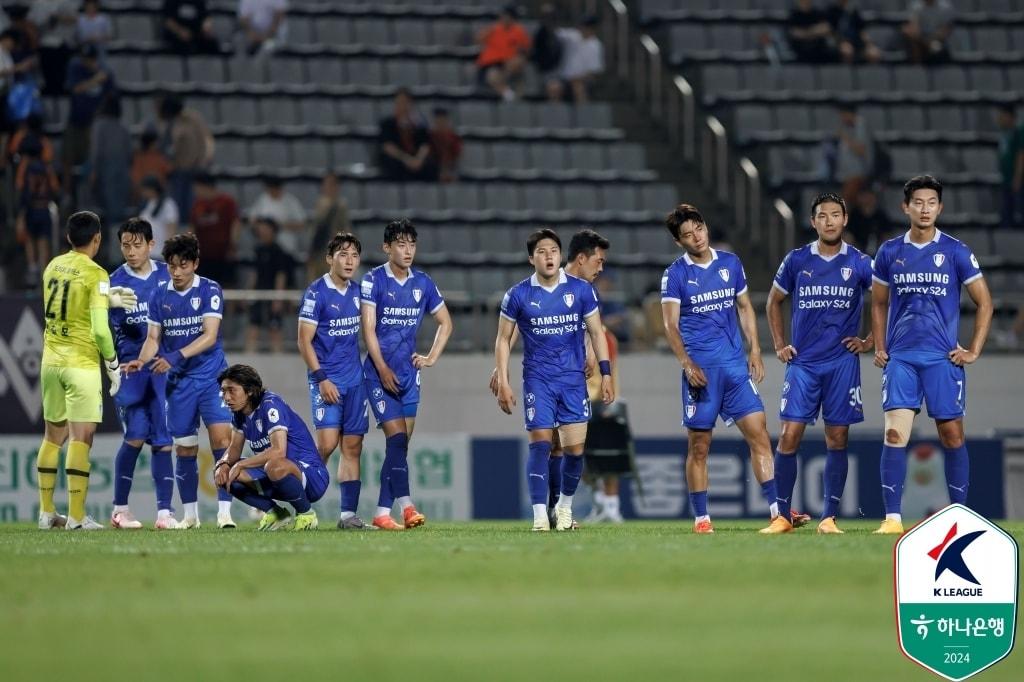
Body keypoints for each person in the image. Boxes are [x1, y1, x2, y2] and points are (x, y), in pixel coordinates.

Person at [870, 175, 993, 534]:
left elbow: (984, 302)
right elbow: (877, 303)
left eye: (931, 203)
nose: (925, 209)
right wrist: (880, 345)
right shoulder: (890, 252)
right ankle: (892, 519)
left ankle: (958, 515)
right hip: (902, 359)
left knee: (952, 436)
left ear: (939, 207)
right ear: (905, 207)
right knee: (895, 434)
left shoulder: (956, 251)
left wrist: (973, 350)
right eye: (918, 203)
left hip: (942, 358)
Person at [659, 204, 781, 534]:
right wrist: (686, 363)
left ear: (705, 227)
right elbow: (670, 325)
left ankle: (776, 513)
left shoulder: (730, 263)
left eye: (698, 228)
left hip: (734, 368)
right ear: (679, 242)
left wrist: (755, 349)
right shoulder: (675, 275)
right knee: (699, 446)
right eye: (687, 234)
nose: (695, 237)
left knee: (760, 435)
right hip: (702, 372)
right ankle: (702, 519)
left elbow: (744, 307)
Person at [765, 192, 874, 534]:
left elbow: (886, 300)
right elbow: (773, 302)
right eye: (822, 216)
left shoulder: (859, 262)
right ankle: (782, 516)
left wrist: (870, 340)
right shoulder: (797, 260)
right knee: (788, 435)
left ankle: (828, 518)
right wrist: (780, 344)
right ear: (813, 222)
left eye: (835, 215)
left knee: (837, 437)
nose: (829, 221)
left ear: (845, 219)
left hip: (842, 363)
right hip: (803, 363)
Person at [494, 229, 614, 531]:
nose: (548, 257)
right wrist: (504, 379)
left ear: (561, 256)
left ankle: (562, 508)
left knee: (574, 451)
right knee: (541, 446)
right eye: (541, 252)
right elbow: (504, 339)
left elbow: (597, 332)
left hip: (573, 381)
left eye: (553, 251)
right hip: (538, 380)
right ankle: (538, 516)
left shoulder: (581, 291)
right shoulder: (518, 294)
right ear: (531, 258)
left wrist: (606, 372)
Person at [125, 232, 237, 529]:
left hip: (212, 378)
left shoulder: (210, 290)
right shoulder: (159, 295)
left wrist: (175, 356)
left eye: (183, 265)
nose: (176, 272)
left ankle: (225, 513)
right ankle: (190, 515)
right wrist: (142, 359)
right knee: (185, 448)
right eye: (172, 265)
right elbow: (152, 338)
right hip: (179, 385)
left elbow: (210, 335)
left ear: (195, 264)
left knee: (222, 441)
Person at [37, 211, 136, 530]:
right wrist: (112, 364)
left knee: (53, 438)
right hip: (80, 365)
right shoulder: (97, 274)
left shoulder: (52, 265)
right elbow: (100, 331)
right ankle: (77, 517)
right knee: (82, 438)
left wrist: (106, 300)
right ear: (97, 239)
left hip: (50, 360)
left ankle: (46, 512)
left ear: (68, 238)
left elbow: (65, 305)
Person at [360, 219, 453, 530]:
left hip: (408, 375)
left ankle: (381, 512)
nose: (408, 250)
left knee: (398, 447)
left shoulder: (423, 283)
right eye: (401, 244)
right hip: (378, 374)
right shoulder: (373, 281)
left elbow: (446, 322)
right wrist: (382, 368)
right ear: (387, 247)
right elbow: (368, 330)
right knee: (397, 438)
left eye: (412, 244)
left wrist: (430, 357)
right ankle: (408, 506)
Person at [107, 218, 179, 530]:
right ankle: (120, 510)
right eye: (125, 245)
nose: (131, 251)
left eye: (137, 245)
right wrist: (103, 303)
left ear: (151, 245)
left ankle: (165, 513)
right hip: (131, 367)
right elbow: (100, 325)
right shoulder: (113, 282)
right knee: (135, 435)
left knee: (163, 439)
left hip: (161, 367)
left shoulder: (166, 274)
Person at [297, 232, 370, 529]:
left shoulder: (359, 292)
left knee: (353, 447)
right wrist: (321, 379)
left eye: (354, 255)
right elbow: (304, 341)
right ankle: (297, 503)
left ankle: (347, 515)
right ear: (330, 259)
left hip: (355, 380)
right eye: (342, 254)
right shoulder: (316, 293)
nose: (349, 260)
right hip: (326, 380)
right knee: (326, 445)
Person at [216, 364, 327, 531]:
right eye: (224, 391)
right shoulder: (239, 414)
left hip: (311, 476)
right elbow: (233, 449)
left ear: (250, 390)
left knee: (273, 465)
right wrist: (223, 465)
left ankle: (306, 515)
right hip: (275, 475)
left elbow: (278, 450)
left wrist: (240, 464)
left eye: (232, 390)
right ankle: (276, 514)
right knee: (224, 474)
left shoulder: (270, 405)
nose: (226, 397)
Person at [62, 43, 115, 193]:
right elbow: (75, 89)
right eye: (84, 59)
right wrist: (95, 80)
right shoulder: (76, 68)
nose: (87, 62)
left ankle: (89, 193)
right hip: (75, 120)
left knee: (91, 161)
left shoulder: (106, 72)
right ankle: (66, 193)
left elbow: (112, 98)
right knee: (67, 158)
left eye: (90, 59)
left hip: (94, 124)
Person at [157, 93, 213, 222]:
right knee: (178, 207)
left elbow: (205, 142)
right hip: (178, 171)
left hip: (195, 170)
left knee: (193, 206)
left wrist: (203, 163)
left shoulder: (193, 119)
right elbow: (167, 148)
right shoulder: (170, 124)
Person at [16, 136, 60, 287]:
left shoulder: (25, 167)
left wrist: (21, 214)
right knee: (43, 243)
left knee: (30, 240)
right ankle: (44, 276)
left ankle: (33, 270)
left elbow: (21, 188)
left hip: (31, 209)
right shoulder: (47, 167)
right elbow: (54, 188)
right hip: (44, 209)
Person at [245, 217, 293, 353]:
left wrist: (278, 298)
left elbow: (281, 276)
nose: (263, 231)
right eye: (261, 229)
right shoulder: (258, 250)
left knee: (275, 328)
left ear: (273, 231)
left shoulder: (279, 252)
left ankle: (278, 358)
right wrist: (248, 292)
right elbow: (254, 274)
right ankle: (248, 358)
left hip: (272, 294)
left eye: (266, 228)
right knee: (254, 325)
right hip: (258, 294)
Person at [88, 96, 132, 236]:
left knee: (104, 213)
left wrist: (93, 173)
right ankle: (117, 247)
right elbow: (129, 154)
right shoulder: (124, 127)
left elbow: (96, 151)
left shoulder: (99, 125)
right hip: (122, 175)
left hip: (105, 174)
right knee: (118, 214)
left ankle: (111, 250)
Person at [190, 171, 240, 286]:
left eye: (197, 187)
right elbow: (192, 227)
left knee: (227, 286)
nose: (195, 191)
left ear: (204, 186)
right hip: (204, 255)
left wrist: (233, 244)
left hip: (223, 254)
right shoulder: (197, 204)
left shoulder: (227, 202)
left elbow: (235, 223)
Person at [378, 88, 436, 182]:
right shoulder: (388, 124)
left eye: (405, 102)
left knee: (431, 166)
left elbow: (425, 145)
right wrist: (407, 160)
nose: (402, 106)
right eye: (399, 102)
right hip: (399, 159)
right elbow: (387, 146)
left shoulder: (419, 124)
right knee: (392, 166)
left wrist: (418, 160)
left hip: (415, 160)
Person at [476, 5, 530, 101]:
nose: (505, 18)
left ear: (512, 18)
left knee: (517, 62)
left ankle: (508, 90)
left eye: (507, 16)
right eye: (503, 16)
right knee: (492, 75)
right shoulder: (493, 29)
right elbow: (479, 40)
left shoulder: (519, 31)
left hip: (508, 65)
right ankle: (508, 95)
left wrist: (518, 59)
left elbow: (525, 49)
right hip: (491, 64)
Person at [247, 175, 306, 263]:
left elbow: (302, 224)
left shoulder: (290, 201)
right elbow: (252, 218)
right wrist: (263, 228)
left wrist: (280, 225)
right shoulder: (263, 199)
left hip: (285, 247)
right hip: (266, 248)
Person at [546, 15, 604, 103]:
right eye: (583, 26)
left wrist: (578, 77)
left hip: (584, 80)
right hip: (565, 78)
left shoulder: (596, 45)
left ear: (593, 29)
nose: (584, 29)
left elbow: (594, 71)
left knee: (577, 86)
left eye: (587, 27)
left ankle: (583, 114)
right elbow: (555, 32)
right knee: (553, 87)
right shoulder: (573, 36)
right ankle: (556, 114)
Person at [307, 172, 351, 281]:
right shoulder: (319, 204)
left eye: (331, 184)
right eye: (326, 184)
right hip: (318, 252)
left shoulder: (341, 205)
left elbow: (346, 228)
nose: (328, 187)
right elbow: (314, 230)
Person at [835, 105, 873, 205]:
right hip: (848, 174)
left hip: (858, 174)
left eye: (843, 115)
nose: (842, 118)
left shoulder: (860, 124)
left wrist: (845, 137)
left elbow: (861, 150)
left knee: (845, 202)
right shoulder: (848, 127)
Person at [995, 104, 1024, 229]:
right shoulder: (1004, 133)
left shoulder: (1018, 132)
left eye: (1003, 115)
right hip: (1006, 180)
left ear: (1010, 117)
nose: (1000, 118)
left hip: (1016, 181)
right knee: (1006, 213)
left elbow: (1021, 155)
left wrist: (1017, 177)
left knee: (1017, 212)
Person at [138, 174, 179, 257]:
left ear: (152, 189)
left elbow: (171, 228)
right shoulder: (148, 204)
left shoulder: (168, 204)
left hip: (160, 253)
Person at [846, 187, 892, 253]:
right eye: (864, 196)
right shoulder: (854, 214)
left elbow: (887, 234)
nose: (867, 199)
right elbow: (848, 234)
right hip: (857, 249)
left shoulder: (881, 215)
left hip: (876, 248)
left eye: (870, 196)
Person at [131, 128, 172, 199]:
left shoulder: (138, 157)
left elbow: (135, 177)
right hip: (156, 193)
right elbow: (168, 170)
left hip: (142, 194)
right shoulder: (158, 157)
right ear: (152, 143)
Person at [429, 107, 463, 183]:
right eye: (438, 120)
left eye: (443, 120)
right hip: (434, 172)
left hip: (451, 170)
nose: (440, 123)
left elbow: (457, 156)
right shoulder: (430, 137)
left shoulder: (454, 137)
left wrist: (448, 171)